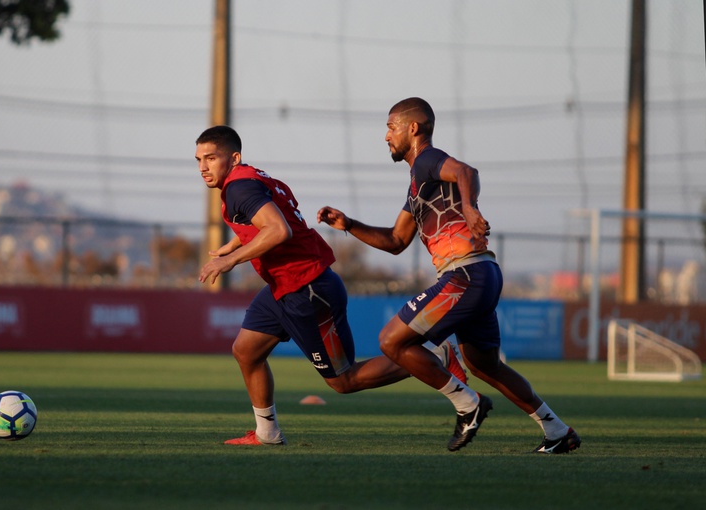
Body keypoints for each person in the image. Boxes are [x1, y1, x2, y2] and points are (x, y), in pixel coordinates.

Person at [317, 97, 582, 454]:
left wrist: (470, 208)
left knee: (391, 341)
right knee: (486, 365)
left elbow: (466, 172)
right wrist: (348, 224)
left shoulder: (427, 159)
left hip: (466, 275)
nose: (386, 136)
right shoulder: (418, 182)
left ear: (413, 128)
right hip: (484, 274)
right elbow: (396, 240)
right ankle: (557, 430)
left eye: (391, 127)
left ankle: (467, 404)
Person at [195, 125, 470, 446]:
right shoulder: (250, 177)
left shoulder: (238, 187)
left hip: (308, 288)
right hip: (285, 285)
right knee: (245, 351)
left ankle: (433, 354)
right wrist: (235, 242)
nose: (203, 167)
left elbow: (278, 230)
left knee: (344, 381)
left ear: (234, 157)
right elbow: (271, 219)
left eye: (211, 158)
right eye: (199, 159)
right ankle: (266, 432)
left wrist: (231, 260)